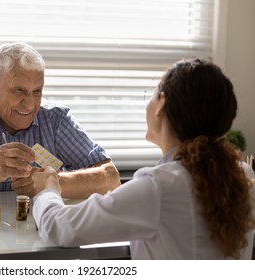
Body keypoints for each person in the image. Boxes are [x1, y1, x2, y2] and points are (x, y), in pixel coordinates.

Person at [31, 58, 255, 259]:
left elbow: (59, 229)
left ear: (162, 104)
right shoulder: (243, 174)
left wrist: (48, 187)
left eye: (153, 94)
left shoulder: (159, 186)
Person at [0, 42, 121, 201]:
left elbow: (110, 179)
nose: (29, 105)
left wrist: (54, 182)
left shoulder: (55, 119)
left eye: (37, 91)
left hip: (40, 232)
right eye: (18, 90)